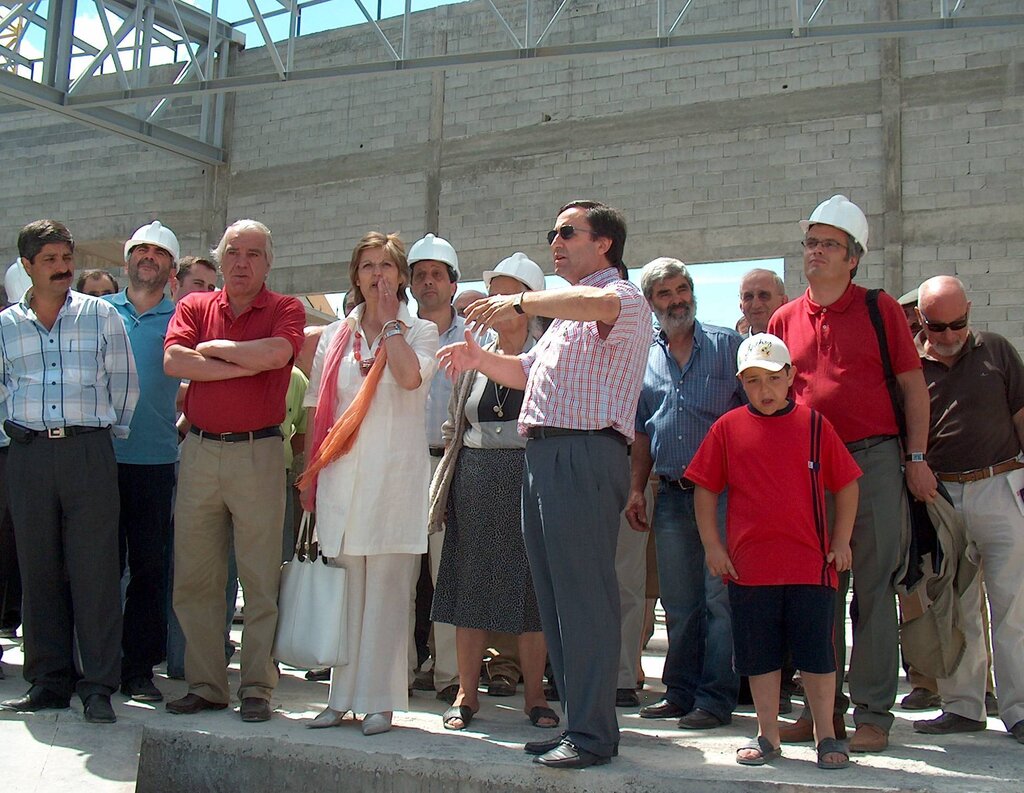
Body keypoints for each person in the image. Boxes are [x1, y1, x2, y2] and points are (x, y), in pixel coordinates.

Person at [439, 199, 651, 769]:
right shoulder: (563, 321)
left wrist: (519, 299)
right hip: (547, 454)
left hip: (584, 452)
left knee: (584, 599)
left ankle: (593, 735)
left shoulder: (621, 297)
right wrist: (479, 357)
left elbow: (598, 302)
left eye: (566, 232)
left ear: (604, 243)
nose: (554, 242)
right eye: (551, 232)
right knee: (557, 600)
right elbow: (527, 372)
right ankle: (578, 724)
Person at [768, 194, 937, 753]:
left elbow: (914, 388)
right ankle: (823, 713)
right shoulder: (783, 318)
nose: (816, 253)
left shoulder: (879, 308)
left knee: (872, 587)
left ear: (854, 257)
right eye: (811, 243)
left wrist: (915, 458)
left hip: (874, 463)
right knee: (818, 593)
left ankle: (873, 715)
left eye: (829, 245)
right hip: (806, 467)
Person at [687, 333, 860, 769]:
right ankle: (767, 735)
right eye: (752, 381)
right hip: (750, 569)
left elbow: (847, 483)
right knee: (759, 657)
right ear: (741, 384)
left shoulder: (816, 425)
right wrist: (713, 546)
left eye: (772, 379)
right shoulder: (726, 428)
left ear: (791, 377)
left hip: (811, 566)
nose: (763, 391)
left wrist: (840, 541)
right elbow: (705, 489)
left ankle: (826, 735)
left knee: (817, 657)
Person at [163, 219, 305, 722]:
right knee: (196, 575)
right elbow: (176, 362)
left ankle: (258, 688)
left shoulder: (286, 308)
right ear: (220, 257)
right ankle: (206, 684)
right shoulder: (194, 305)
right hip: (199, 451)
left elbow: (279, 352)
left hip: (258, 454)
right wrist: (249, 365)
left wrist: (216, 351)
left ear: (268, 262)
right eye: (233, 252)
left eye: (254, 253)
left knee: (260, 575)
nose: (242, 262)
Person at [299, 231, 438, 736]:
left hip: (393, 482)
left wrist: (392, 327)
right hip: (341, 479)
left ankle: (379, 701)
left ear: (400, 275)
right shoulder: (336, 335)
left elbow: (407, 379)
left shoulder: (421, 331)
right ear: (355, 277)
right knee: (346, 593)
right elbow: (318, 406)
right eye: (367, 267)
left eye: (386, 266)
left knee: (386, 594)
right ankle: (340, 697)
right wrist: (311, 478)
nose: (377, 275)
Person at [0, 219, 138, 723]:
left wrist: (100, 437)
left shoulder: (100, 315)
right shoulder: (6, 325)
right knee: (38, 569)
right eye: (50, 260)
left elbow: (125, 386)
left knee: (95, 570)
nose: (62, 267)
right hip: (30, 456)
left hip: (88, 452)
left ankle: (98, 684)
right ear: (28, 267)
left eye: (66, 257)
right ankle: (47, 681)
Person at [428, 252, 555, 732]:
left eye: (509, 293)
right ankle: (465, 692)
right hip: (476, 477)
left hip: (528, 475)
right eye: (493, 292)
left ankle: (535, 695)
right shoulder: (472, 346)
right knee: (469, 583)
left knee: (530, 591)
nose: (496, 303)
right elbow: (455, 418)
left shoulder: (549, 350)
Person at [626, 257, 743, 731]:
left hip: (723, 496)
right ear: (651, 303)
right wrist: (637, 488)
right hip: (672, 495)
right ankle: (679, 692)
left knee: (721, 601)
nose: (677, 300)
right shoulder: (644, 356)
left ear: (693, 291)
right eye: (664, 294)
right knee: (679, 603)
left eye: (682, 290)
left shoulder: (728, 346)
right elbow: (639, 432)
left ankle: (715, 699)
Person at [909, 276, 1024, 745]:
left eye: (959, 323)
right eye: (939, 327)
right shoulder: (911, 368)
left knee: (1012, 604)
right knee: (955, 608)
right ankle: (962, 706)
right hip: (944, 499)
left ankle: (1018, 709)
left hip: (1001, 485)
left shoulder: (996, 351)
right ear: (922, 321)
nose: (950, 335)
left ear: (970, 312)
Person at [107, 221, 182, 703]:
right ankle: (94, 665)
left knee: (150, 569)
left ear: (171, 267)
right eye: (141, 250)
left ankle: (137, 669)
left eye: (159, 253)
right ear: (128, 260)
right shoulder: (97, 313)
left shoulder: (183, 321)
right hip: (98, 459)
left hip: (156, 461)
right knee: (97, 567)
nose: (149, 258)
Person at [408, 232, 465, 704]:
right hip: (400, 463)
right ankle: (396, 670)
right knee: (398, 574)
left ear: (452, 282)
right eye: (420, 275)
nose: (429, 282)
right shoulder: (397, 329)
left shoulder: (475, 336)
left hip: (450, 464)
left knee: (447, 573)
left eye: (437, 275)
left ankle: (450, 675)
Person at [739, 269, 787, 335]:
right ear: (741, 306)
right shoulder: (736, 344)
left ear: (783, 301)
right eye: (748, 297)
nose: (755, 305)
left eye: (764, 296)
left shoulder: (799, 342)